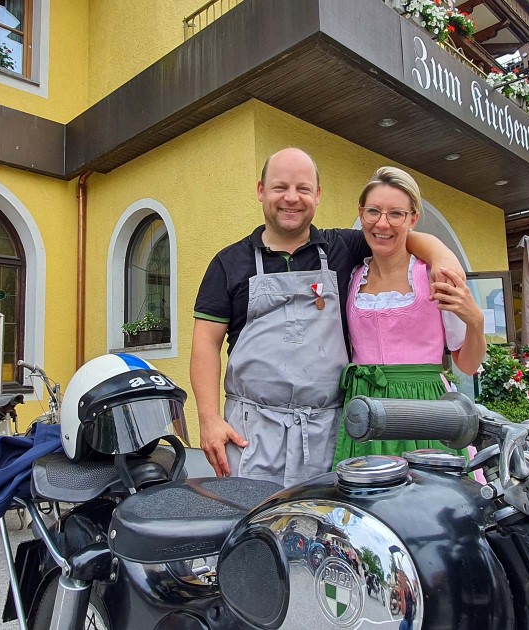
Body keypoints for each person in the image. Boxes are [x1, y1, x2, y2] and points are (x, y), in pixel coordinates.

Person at [191, 149, 464, 487]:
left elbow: (397, 234)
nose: (292, 198)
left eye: (303, 189)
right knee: (253, 527)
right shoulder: (228, 263)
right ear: (261, 190)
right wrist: (208, 418)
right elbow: (206, 341)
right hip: (250, 434)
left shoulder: (343, 247)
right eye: (280, 187)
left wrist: (439, 256)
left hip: (329, 434)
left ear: (318, 196)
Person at [331, 166, 486, 463]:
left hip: (424, 407)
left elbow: (466, 363)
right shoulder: (352, 276)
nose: (383, 223)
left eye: (396, 214)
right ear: (361, 213)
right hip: (366, 405)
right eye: (374, 211)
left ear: (413, 218)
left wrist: (475, 322)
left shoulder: (434, 274)